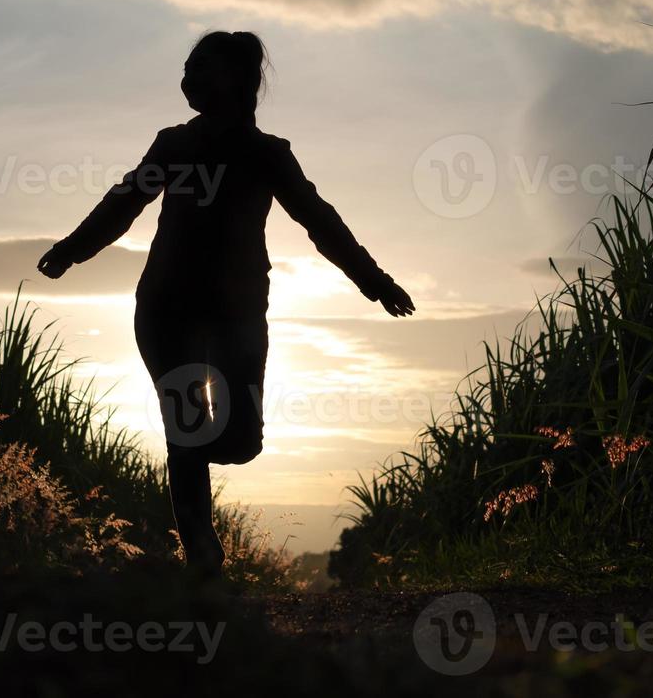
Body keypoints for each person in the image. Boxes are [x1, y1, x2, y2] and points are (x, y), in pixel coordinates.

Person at [37, 31, 414, 580]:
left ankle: (192, 463)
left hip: (237, 313)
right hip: (167, 308)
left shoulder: (266, 155)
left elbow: (319, 221)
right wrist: (72, 250)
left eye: (199, 68)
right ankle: (203, 558)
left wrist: (373, 281)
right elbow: (125, 202)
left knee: (240, 443)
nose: (187, 79)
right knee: (186, 427)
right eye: (184, 69)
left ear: (236, 78)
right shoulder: (172, 145)